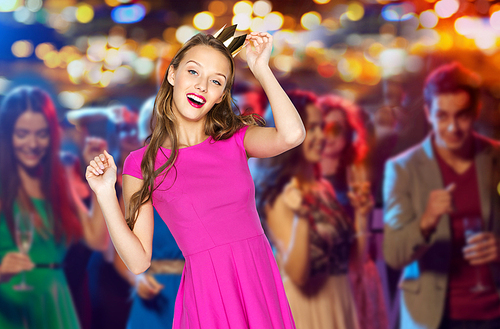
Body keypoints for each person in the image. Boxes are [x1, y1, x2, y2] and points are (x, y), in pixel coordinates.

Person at [85, 27, 304, 328]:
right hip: (208, 291)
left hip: (257, 276)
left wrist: (261, 68)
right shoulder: (142, 163)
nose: (202, 86)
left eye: (216, 81)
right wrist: (105, 192)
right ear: (173, 75)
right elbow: (138, 261)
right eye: (193, 72)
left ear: (220, 96)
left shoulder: (236, 139)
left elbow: (292, 135)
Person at [383, 62, 500, 329]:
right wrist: (426, 220)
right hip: (432, 316)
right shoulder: (403, 168)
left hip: (493, 312)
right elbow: (394, 253)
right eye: (442, 116)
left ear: (476, 111)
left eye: (462, 115)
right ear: (428, 113)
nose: (452, 127)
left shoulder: (495, 158)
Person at [256, 90, 371, 329]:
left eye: (322, 127)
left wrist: (362, 215)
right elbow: (298, 275)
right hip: (307, 311)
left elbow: (353, 263)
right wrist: (301, 216)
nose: (322, 136)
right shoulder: (280, 197)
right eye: (312, 128)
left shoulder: (323, 188)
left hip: (342, 302)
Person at [0, 86, 108, 329]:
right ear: (7, 135)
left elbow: (97, 241)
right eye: (22, 134)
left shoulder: (59, 180)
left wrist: (97, 181)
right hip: (7, 308)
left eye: (41, 134)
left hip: (55, 304)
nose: (33, 143)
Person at [319, 94, 388, 329]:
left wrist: (362, 214)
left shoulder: (355, 178)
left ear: (350, 133)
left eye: (335, 128)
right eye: (321, 126)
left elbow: (361, 252)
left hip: (352, 278)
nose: (327, 135)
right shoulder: (300, 178)